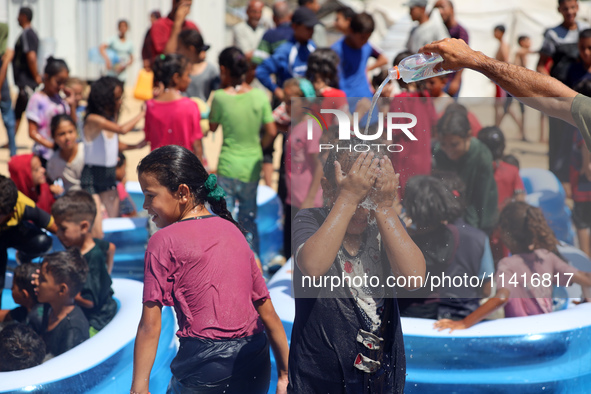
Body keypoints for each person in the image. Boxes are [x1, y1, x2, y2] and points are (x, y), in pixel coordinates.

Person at [130, 145, 289, 393]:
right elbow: (267, 312)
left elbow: (150, 326)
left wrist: (138, 387)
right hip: (255, 360)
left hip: (206, 366)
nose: (145, 205)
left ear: (182, 193)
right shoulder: (233, 231)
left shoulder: (162, 241)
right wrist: (284, 374)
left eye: (150, 195)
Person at [289, 141, 425, 392]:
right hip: (319, 378)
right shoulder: (310, 221)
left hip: (381, 376)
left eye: (370, 195)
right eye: (355, 194)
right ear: (327, 188)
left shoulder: (383, 224)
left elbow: (414, 278)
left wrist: (384, 207)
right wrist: (347, 199)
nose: (362, 208)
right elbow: (313, 266)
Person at [434, 201, 591, 332]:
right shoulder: (546, 257)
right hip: (546, 331)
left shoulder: (507, 265)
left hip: (519, 336)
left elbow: (501, 297)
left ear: (505, 233)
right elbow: (585, 278)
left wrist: (464, 323)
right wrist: (585, 300)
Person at [418, 38, 591, 152]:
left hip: (511, 85)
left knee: (505, 109)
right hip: (512, 85)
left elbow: (555, 98)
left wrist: (474, 59)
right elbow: (555, 99)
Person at [210, 47, 277, 255]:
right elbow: (272, 131)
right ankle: (252, 263)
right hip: (252, 165)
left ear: (223, 69)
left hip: (228, 165)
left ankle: (226, 262)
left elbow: (212, 127)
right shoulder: (260, 96)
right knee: (248, 219)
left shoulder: (220, 97)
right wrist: (259, 147)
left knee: (225, 219)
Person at [399, 175, 493, 320]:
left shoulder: (402, 242)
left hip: (413, 316)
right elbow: (487, 290)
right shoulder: (474, 237)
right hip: (463, 314)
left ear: (410, 207)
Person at [81, 76, 145, 238]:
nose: (120, 102)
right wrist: (143, 113)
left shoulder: (109, 119)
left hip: (109, 178)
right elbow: (122, 130)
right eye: (117, 98)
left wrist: (136, 145)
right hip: (92, 178)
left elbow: (114, 144)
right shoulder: (92, 119)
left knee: (114, 225)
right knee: (97, 230)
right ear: (105, 99)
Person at [52, 190, 117, 333]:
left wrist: (62, 292)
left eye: (63, 228)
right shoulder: (90, 244)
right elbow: (111, 248)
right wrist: (107, 273)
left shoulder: (92, 260)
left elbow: (90, 302)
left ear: (84, 227)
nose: (58, 234)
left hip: (97, 319)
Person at [432, 104, 499, 235]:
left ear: (468, 136)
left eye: (454, 144)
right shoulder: (439, 153)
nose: (448, 150)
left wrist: (478, 233)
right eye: (444, 144)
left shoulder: (481, 156)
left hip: (479, 219)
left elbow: (482, 199)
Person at [0, 176, 56, 307]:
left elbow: (58, 229)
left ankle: (23, 256)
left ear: (11, 213)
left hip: (12, 233)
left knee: (43, 241)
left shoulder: (24, 205)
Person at [140, 53, 203, 161]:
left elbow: (149, 137)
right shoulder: (191, 106)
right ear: (176, 78)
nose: (189, 80)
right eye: (187, 75)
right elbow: (197, 146)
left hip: (158, 171)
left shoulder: (150, 106)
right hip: (183, 169)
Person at [34, 249, 90, 357]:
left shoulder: (73, 330)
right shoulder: (49, 308)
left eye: (42, 279)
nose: (36, 282)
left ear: (62, 290)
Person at [255, 7, 318, 101]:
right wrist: (277, 91)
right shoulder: (285, 50)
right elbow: (261, 71)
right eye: (308, 28)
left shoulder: (312, 47)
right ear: (295, 26)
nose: (312, 31)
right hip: (290, 106)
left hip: (309, 104)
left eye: (313, 28)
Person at [26, 57, 77, 165]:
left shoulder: (60, 99)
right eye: (58, 82)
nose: (61, 86)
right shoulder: (37, 99)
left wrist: (72, 104)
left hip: (62, 154)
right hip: (45, 155)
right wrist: (52, 146)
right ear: (47, 77)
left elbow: (73, 123)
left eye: (64, 83)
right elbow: (32, 132)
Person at [331, 12, 387, 99]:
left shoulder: (367, 46)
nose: (364, 41)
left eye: (367, 38)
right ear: (351, 31)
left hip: (367, 99)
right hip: (346, 100)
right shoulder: (336, 50)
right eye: (362, 37)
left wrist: (367, 69)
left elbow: (383, 59)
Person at [13, 7, 40, 135]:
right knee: (19, 110)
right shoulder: (27, 33)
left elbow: (31, 57)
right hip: (25, 82)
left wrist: (36, 77)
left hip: (27, 81)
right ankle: (11, 140)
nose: (16, 19)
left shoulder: (27, 34)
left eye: (18, 16)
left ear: (24, 16)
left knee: (32, 111)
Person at [434, 0, 467, 97]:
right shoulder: (439, 29)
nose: (440, 12)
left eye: (443, 8)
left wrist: (456, 81)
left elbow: (464, 58)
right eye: (438, 9)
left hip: (451, 79)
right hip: (439, 79)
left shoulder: (461, 32)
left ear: (451, 9)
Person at [177, 29, 220, 102]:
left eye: (179, 48)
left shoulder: (211, 70)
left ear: (191, 49)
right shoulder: (179, 69)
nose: (177, 51)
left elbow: (216, 95)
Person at [47, 114, 84, 193]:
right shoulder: (53, 162)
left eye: (70, 132)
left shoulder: (86, 152)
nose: (67, 137)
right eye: (62, 134)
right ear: (54, 137)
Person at [0, 263, 43, 332]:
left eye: (13, 287)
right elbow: (5, 315)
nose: (11, 289)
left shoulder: (36, 321)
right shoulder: (24, 311)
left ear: (24, 294)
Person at [251, 1, 293, 66]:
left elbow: (257, 62)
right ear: (290, 15)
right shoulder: (299, 33)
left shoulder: (269, 35)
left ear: (273, 18)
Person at [115, 152, 137, 218]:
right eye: (124, 168)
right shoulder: (119, 186)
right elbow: (133, 212)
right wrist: (123, 188)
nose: (125, 172)